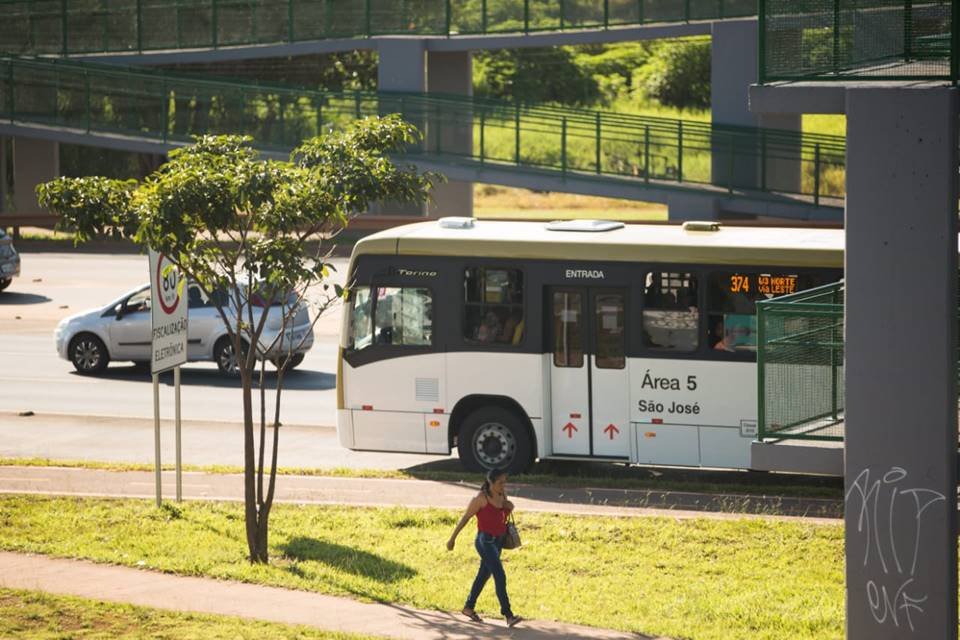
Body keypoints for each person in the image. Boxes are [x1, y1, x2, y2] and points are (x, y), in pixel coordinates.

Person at [446, 468, 523, 628]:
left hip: (498, 541)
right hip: (485, 541)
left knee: (483, 575)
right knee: (499, 575)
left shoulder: (502, 495)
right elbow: (465, 518)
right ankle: (508, 615)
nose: (503, 485)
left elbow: (501, 516)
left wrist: (509, 507)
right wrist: (452, 539)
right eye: (500, 482)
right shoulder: (480, 499)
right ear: (490, 482)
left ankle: (468, 607)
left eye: (505, 482)